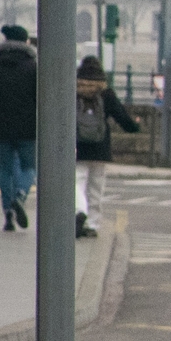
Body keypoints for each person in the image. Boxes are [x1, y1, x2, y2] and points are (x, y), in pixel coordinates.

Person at [0, 24, 39, 231]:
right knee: (29, 166)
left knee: (5, 169)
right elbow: (41, 98)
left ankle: (8, 215)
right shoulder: (33, 66)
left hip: (1, 126)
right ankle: (21, 195)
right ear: (25, 42)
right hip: (28, 127)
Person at [74, 55, 138, 238]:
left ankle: (79, 211)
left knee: (77, 182)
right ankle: (93, 224)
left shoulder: (73, 92)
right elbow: (121, 116)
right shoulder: (106, 94)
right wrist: (134, 128)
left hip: (78, 145)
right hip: (100, 147)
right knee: (96, 187)